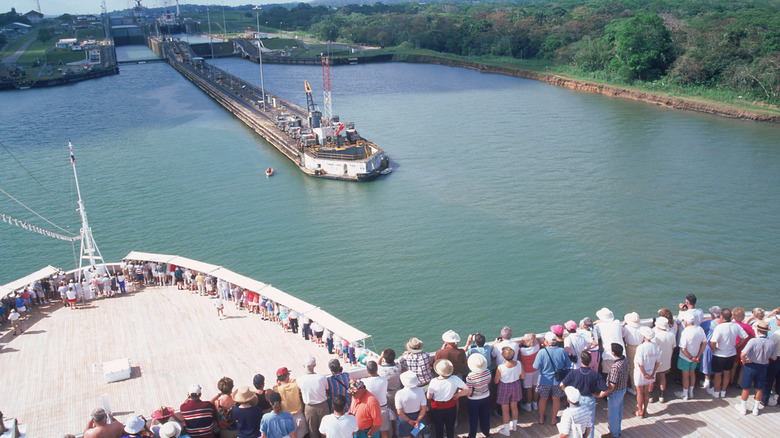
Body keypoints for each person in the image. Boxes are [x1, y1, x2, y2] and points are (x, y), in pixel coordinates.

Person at [560, 352, 607, 438]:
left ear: (581, 361)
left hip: (577, 399)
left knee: (575, 423)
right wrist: (599, 396)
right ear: (590, 361)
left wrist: (568, 394)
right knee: (590, 424)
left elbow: (562, 384)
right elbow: (605, 389)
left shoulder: (575, 373)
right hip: (589, 399)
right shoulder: (595, 374)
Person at [736, 321, 777, 416]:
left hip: (750, 366)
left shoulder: (753, 341)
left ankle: (743, 407)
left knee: (746, 388)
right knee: (759, 388)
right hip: (762, 367)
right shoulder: (771, 343)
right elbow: (774, 357)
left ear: (758, 330)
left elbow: (743, 354)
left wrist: (744, 361)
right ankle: (756, 408)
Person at [533, 332, 571, 426]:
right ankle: (554, 419)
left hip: (544, 380)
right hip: (558, 380)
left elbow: (535, 366)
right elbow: (568, 365)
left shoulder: (542, 352)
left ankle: (541, 418)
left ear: (546, 342)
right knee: (556, 399)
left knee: (543, 399)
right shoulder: (562, 351)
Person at [709, 308, 748, 398]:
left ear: (721, 316)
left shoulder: (719, 327)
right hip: (731, 353)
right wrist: (737, 345)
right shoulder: (736, 326)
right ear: (731, 317)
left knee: (718, 374)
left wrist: (714, 349)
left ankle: (716, 391)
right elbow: (744, 337)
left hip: (719, 355)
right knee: (727, 372)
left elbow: (713, 342)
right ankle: (723, 391)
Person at [426, 359, 470, 438]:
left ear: (438, 371)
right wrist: (457, 395)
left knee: (439, 428)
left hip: (437, 408)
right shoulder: (455, 378)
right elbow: (467, 389)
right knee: (450, 427)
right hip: (451, 406)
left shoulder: (434, 381)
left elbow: (429, 397)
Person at [674, 313, 707, 401]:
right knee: (692, 373)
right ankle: (691, 392)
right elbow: (704, 343)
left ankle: (685, 394)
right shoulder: (699, 329)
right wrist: (698, 356)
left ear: (686, 322)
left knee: (685, 375)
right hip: (696, 356)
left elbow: (683, 349)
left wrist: (691, 357)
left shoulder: (685, 332)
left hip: (685, 358)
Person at [601, 343, 629, 438]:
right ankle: (617, 430)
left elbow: (612, 385)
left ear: (613, 352)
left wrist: (605, 393)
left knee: (613, 414)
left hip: (615, 392)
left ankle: (614, 434)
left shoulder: (615, 367)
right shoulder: (624, 360)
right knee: (618, 412)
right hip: (622, 389)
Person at [494, 347, 523, 435]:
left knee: (505, 410)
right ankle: (514, 426)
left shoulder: (501, 367)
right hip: (516, 384)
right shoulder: (519, 363)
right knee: (514, 407)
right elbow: (523, 376)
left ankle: (506, 430)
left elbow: (496, 381)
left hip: (504, 386)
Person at [298, 357, 329, 438]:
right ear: (315, 365)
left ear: (304, 366)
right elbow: (326, 389)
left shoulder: (300, 380)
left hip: (309, 408)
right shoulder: (322, 378)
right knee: (325, 432)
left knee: (313, 433)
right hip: (323, 406)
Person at [633, 326, 660, 418]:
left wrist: (644, 374)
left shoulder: (641, 347)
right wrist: (652, 374)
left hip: (641, 373)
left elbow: (640, 363)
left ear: (644, 337)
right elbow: (658, 362)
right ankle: (645, 411)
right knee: (646, 392)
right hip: (651, 371)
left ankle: (640, 411)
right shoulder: (655, 346)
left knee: (640, 392)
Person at [274, 367, 308, 438]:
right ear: (287, 376)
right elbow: (297, 382)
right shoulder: (295, 385)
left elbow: (274, 388)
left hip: (287, 418)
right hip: (299, 416)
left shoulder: (278, 389)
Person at [363, 361, 392, 438]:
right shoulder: (384, 379)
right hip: (383, 408)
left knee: (372, 432)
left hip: (371, 409)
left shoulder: (364, 381)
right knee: (384, 432)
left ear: (367, 371)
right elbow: (379, 376)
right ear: (377, 369)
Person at [593, 308, 627, 374]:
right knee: (621, 374)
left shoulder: (599, 326)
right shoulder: (617, 322)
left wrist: (599, 323)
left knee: (609, 374)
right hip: (621, 353)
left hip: (609, 354)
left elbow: (597, 335)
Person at [464, 354, 490, 438]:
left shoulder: (470, 376)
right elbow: (488, 382)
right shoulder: (487, 372)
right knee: (485, 416)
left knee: (473, 418)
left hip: (474, 400)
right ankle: (486, 433)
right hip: (485, 396)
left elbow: (470, 390)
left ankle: (472, 435)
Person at [395, 371, 427, 438]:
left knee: (406, 436)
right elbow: (424, 409)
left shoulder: (399, 393)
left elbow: (399, 412)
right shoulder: (420, 391)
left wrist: (408, 420)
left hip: (404, 418)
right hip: (418, 417)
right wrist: (417, 421)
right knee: (419, 435)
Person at [650, 317, 675, 403]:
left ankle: (650, 396)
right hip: (666, 360)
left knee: (652, 377)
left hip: (655, 360)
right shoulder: (671, 334)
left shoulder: (655, 335)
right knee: (662, 376)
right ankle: (662, 395)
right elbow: (673, 346)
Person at [700, 306, 722, 390]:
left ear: (712, 315)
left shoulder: (709, 323)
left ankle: (707, 381)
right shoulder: (723, 323)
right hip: (719, 347)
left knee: (707, 363)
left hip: (709, 346)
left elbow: (701, 327)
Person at [622, 312, 642, 395]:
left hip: (631, 348)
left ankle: (635, 388)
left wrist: (623, 324)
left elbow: (622, 334)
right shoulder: (642, 327)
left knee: (632, 368)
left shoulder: (627, 328)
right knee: (641, 366)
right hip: (641, 347)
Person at [519, 333, 540, 412]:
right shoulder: (537, 347)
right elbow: (535, 339)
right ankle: (535, 404)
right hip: (536, 369)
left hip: (527, 371)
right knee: (535, 387)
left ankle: (528, 405)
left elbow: (517, 348)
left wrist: (521, 341)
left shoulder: (523, 350)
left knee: (529, 389)